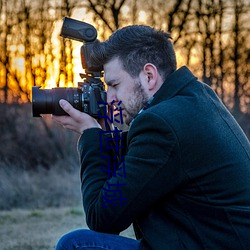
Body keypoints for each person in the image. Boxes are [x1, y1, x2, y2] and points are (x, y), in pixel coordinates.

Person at [53, 25, 250, 250]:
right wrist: (100, 133)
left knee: (76, 244)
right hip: (214, 240)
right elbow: (142, 156)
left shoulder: (162, 124)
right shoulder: (195, 98)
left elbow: (103, 219)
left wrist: (90, 135)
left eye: (115, 85)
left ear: (149, 75)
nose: (110, 99)